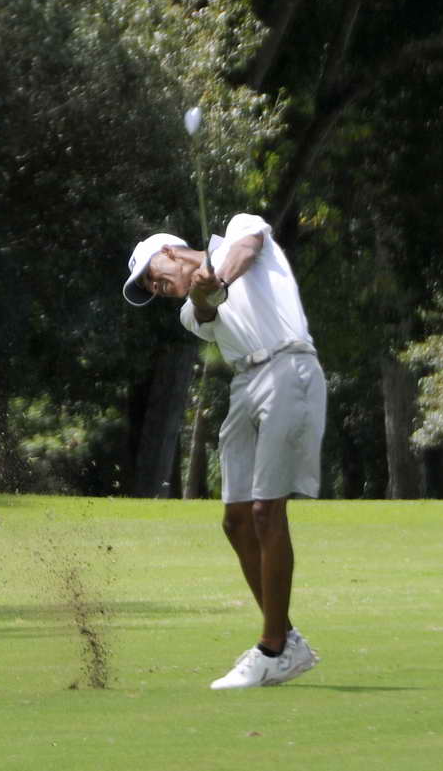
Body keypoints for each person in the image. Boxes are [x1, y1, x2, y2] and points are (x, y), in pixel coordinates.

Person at [122, 213, 327, 689]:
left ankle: (272, 648)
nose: (155, 288)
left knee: (265, 511)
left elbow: (246, 250)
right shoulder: (187, 311)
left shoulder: (239, 229)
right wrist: (202, 292)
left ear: (168, 252)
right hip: (245, 384)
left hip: (289, 365)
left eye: (152, 276)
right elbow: (205, 312)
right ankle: (288, 640)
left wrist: (219, 278)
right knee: (236, 520)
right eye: (148, 288)